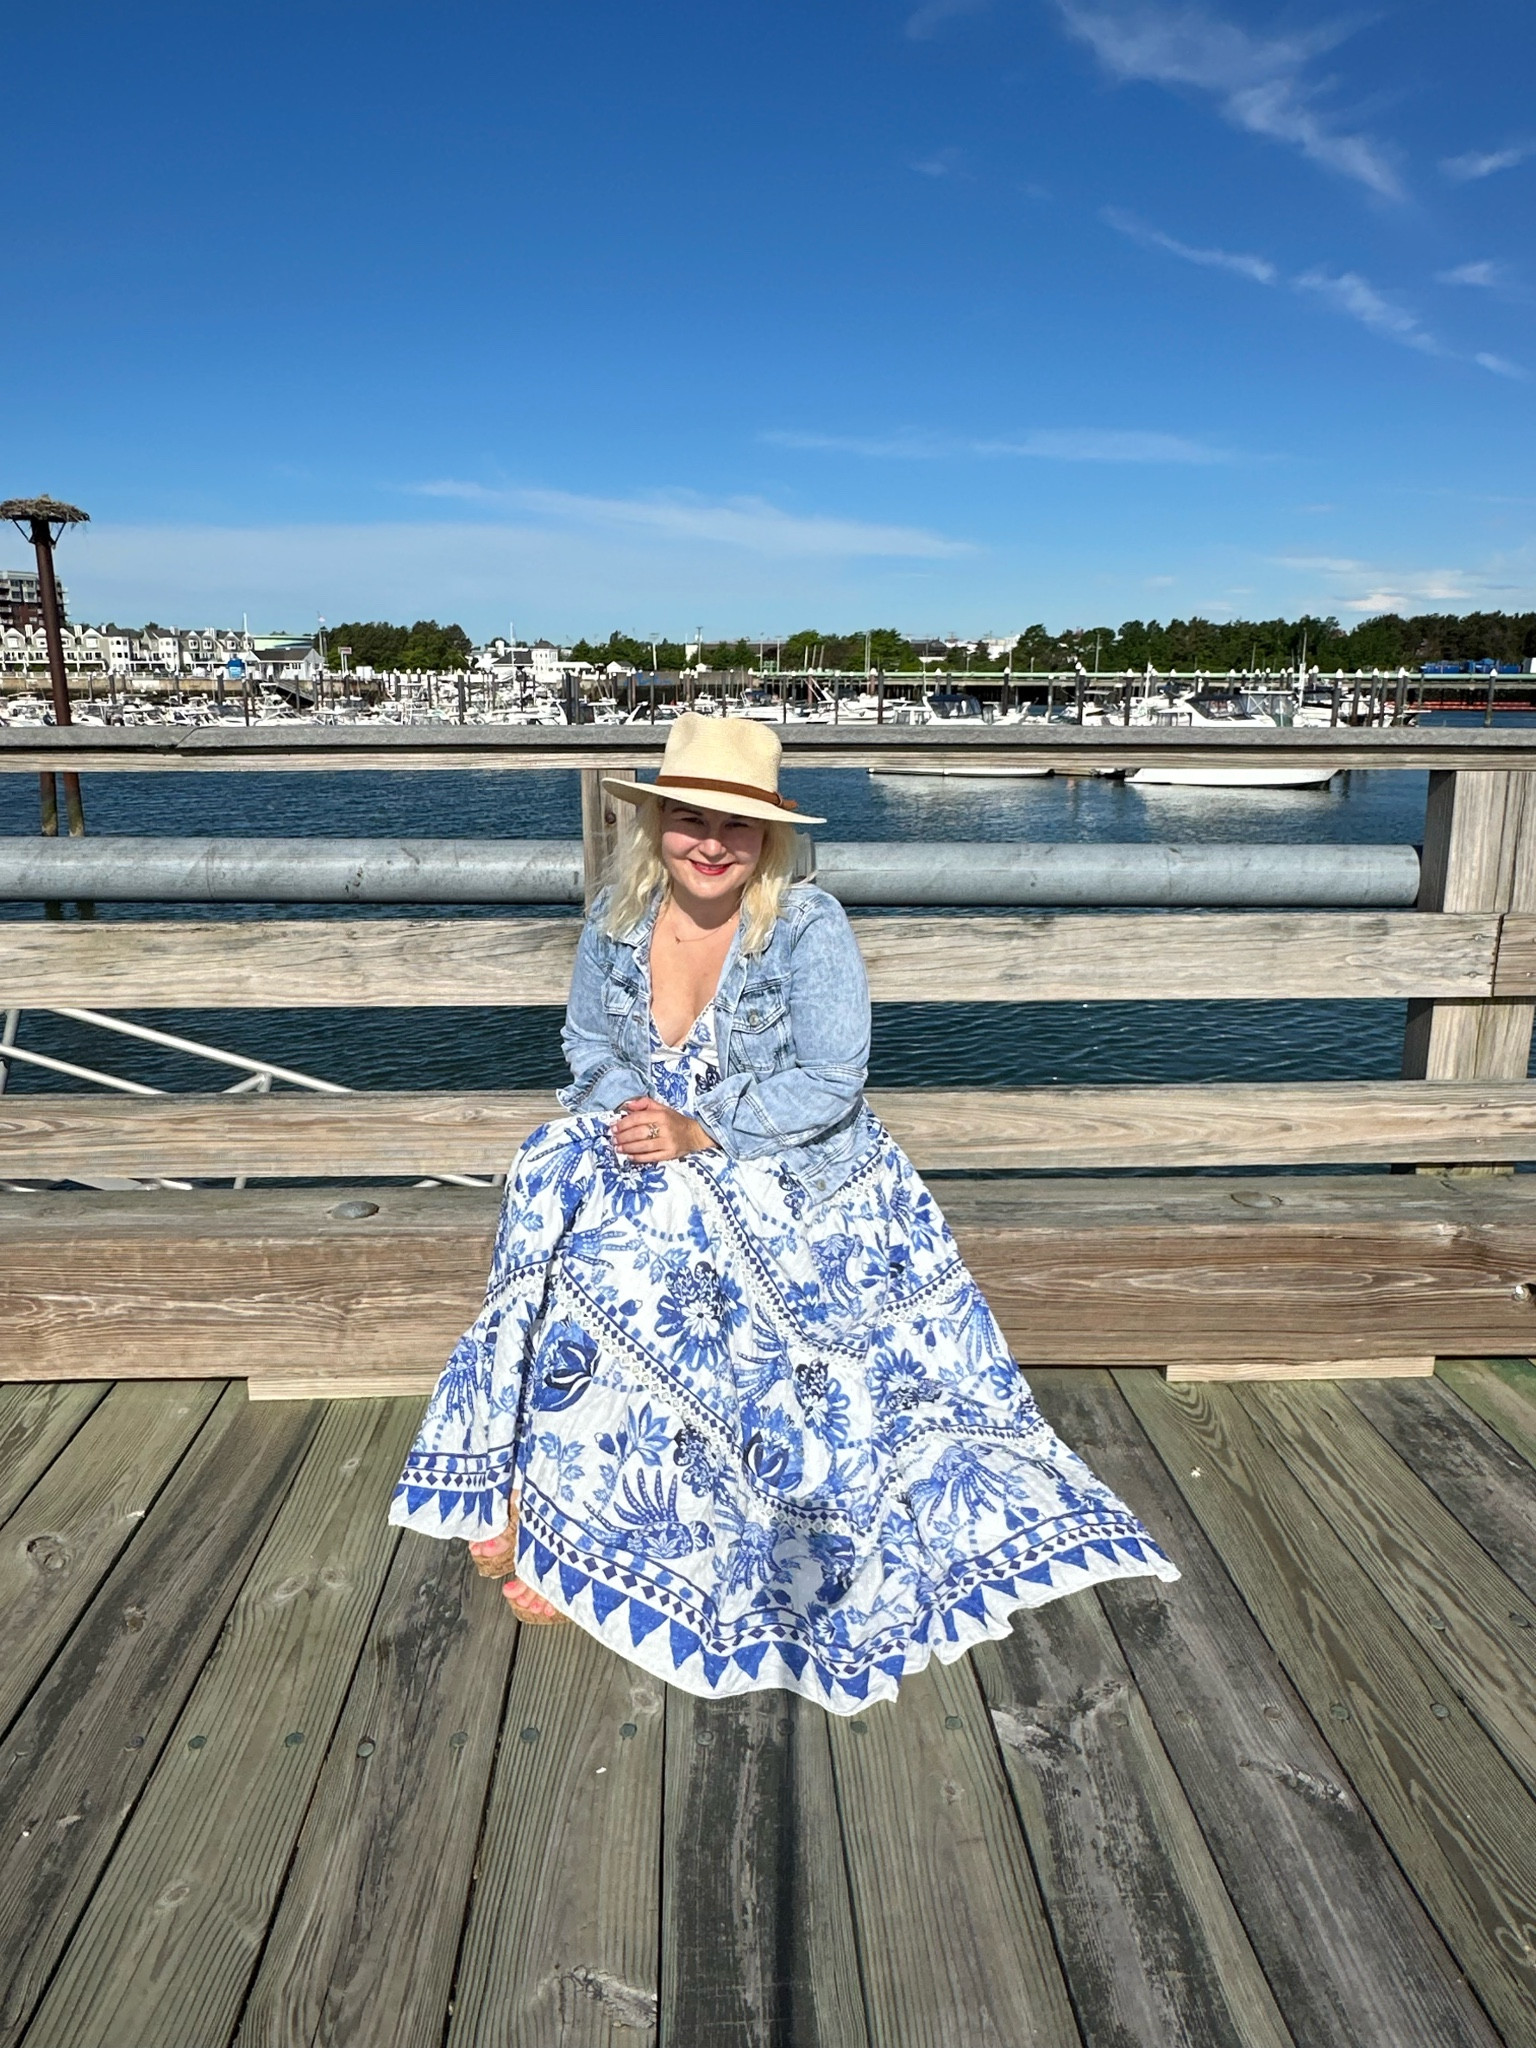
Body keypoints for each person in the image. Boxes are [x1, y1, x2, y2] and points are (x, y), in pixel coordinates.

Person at [390, 713, 1176, 1712]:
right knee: (554, 1191)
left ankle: (631, 1517)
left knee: (647, 1255)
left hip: (790, 1164)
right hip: (652, 1140)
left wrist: (698, 1133)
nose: (710, 842)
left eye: (737, 825)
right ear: (657, 822)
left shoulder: (807, 924)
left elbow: (831, 1082)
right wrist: (628, 1119)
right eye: (688, 818)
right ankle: (542, 1492)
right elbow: (586, 1046)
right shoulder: (615, 917)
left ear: (770, 838)